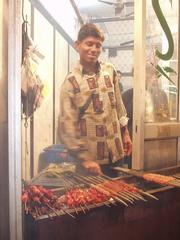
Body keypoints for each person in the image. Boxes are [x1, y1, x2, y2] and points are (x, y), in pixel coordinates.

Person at [58, 23, 132, 176]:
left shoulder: (109, 70)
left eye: (98, 45)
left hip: (115, 153)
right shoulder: (71, 82)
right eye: (89, 44)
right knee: (91, 199)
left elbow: (119, 105)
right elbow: (66, 126)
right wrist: (84, 159)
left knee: (115, 197)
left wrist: (125, 134)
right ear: (78, 45)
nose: (94, 49)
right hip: (91, 163)